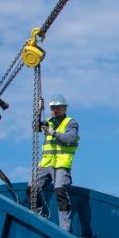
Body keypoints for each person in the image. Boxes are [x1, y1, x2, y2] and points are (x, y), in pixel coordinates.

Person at [31, 95, 79, 231]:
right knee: (32, 189)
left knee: (60, 191)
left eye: (57, 108)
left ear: (64, 108)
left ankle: (65, 228)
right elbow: (35, 127)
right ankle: (40, 216)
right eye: (52, 108)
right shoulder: (49, 121)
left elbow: (70, 138)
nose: (54, 111)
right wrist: (38, 110)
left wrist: (53, 133)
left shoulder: (71, 123)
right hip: (46, 163)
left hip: (61, 164)